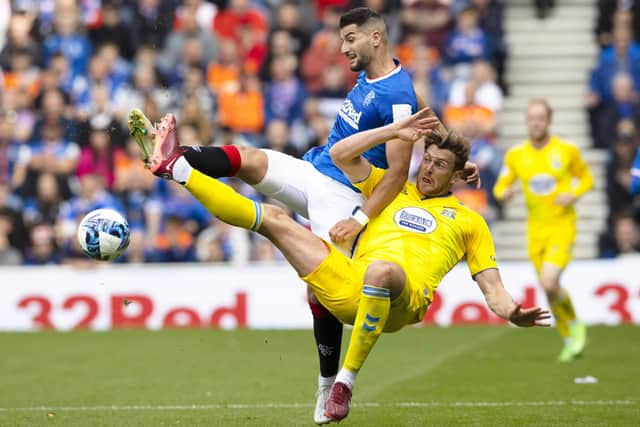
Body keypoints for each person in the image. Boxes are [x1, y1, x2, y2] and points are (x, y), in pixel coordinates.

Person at [130, 7, 479, 424]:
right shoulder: (386, 79)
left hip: (344, 196)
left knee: (319, 291)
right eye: (342, 39)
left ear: (375, 38)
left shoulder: (396, 96)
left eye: (350, 38)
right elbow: (429, 120)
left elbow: (397, 174)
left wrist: (363, 219)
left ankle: (327, 386)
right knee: (251, 160)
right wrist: (456, 158)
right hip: (316, 168)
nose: (343, 47)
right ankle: (174, 157)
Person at [138, 109, 550, 422]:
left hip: (401, 301)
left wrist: (512, 311)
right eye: (426, 160)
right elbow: (339, 153)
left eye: (441, 166)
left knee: (381, 270)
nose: (428, 169)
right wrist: (394, 133)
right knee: (277, 220)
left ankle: (344, 384)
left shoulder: (470, 222)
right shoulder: (390, 188)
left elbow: (492, 287)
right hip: (353, 285)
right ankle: (176, 168)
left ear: (458, 175)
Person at [493, 99, 594, 362]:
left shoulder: (566, 151)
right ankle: (570, 339)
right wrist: (506, 193)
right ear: (527, 122)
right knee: (548, 288)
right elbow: (500, 187)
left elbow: (586, 178)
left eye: (541, 118)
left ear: (549, 121)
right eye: (532, 118)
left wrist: (573, 194)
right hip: (534, 231)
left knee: (550, 281)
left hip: (562, 225)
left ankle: (574, 326)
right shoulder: (516, 155)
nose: (536, 123)